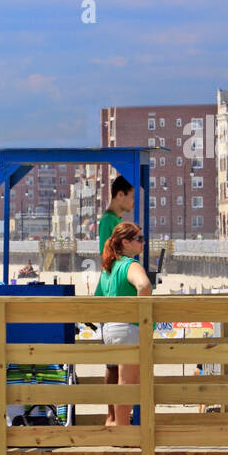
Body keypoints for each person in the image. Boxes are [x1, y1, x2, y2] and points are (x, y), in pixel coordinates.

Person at [95, 223, 152, 429]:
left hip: (109, 329)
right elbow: (144, 286)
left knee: (118, 378)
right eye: (139, 239)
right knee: (128, 382)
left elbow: (97, 299)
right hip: (129, 327)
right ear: (125, 242)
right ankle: (122, 430)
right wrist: (142, 314)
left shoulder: (108, 268)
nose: (143, 242)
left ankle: (112, 421)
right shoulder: (130, 265)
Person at [98, 175, 136, 424]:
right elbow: (108, 258)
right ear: (120, 194)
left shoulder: (114, 220)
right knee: (117, 366)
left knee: (115, 364)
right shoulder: (110, 221)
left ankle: (114, 416)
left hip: (109, 293)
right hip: (113, 297)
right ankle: (114, 417)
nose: (134, 201)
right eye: (132, 196)